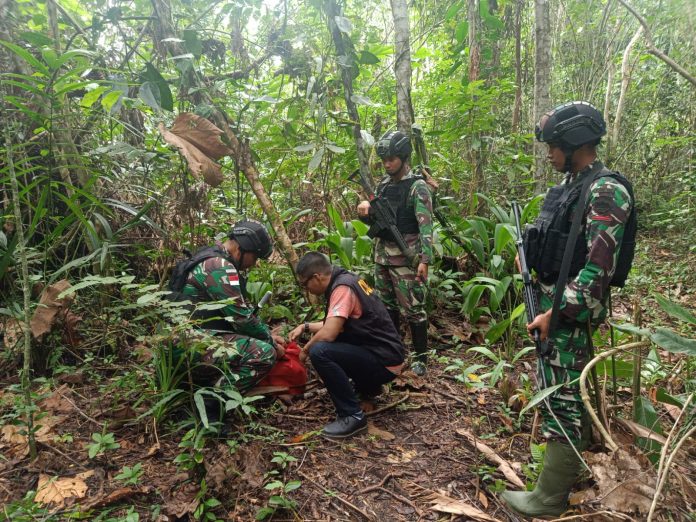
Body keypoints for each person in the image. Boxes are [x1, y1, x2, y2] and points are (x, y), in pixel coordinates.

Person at [501, 101, 636, 518]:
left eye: (553, 145)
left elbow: (598, 271)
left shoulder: (605, 189)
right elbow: (557, 243)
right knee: (552, 387)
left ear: (574, 141)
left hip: (569, 312)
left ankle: (547, 501)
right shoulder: (573, 186)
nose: (548, 153)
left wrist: (555, 313)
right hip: (550, 301)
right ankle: (558, 480)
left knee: (560, 397)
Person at [288, 252, 405, 439]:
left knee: (320, 351)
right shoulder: (347, 280)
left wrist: (305, 350)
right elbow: (337, 322)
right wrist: (305, 327)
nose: (306, 289)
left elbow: (330, 332)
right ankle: (369, 389)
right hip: (384, 354)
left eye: (305, 284)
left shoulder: (342, 288)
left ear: (317, 277)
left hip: (384, 362)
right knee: (331, 343)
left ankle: (352, 416)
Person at [170, 219, 286, 395]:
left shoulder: (210, 257)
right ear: (240, 249)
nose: (254, 263)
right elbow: (242, 319)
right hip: (187, 344)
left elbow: (241, 312)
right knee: (264, 353)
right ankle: (214, 404)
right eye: (254, 257)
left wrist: (267, 334)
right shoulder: (220, 266)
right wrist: (272, 344)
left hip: (186, 339)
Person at [356, 130, 434, 376]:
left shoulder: (417, 186)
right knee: (386, 306)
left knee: (413, 308)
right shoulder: (383, 185)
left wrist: (425, 260)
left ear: (403, 157)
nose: (387, 164)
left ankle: (421, 357)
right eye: (384, 160)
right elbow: (377, 218)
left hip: (406, 258)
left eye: (392, 159)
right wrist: (365, 210)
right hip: (382, 256)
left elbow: (426, 226)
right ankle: (393, 349)